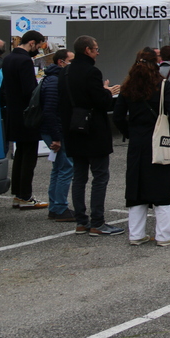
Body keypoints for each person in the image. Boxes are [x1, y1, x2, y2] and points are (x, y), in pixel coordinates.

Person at [114, 49, 170, 246]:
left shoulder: (128, 86)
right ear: (157, 63)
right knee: (162, 187)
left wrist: (130, 132)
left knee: (136, 187)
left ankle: (135, 234)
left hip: (137, 141)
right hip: (159, 138)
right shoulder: (162, 85)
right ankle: (164, 235)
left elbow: (118, 116)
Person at [59, 35, 123, 236]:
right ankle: (97, 221)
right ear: (87, 50)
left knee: (79, 177)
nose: (97, 52)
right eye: (96, 49)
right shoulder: (91, 71)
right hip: (93, 130)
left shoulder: (66, 71)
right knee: (100, 176)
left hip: (72, 128)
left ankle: (81, 221)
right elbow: (101, 101)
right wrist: (107, 91)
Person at [1, 30, 48, 209]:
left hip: (13, 113)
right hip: (27, 114)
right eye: (38, 45)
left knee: (20, 154)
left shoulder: (8, 59)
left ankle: (18, 193)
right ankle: (25, 195)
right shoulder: (24, 61)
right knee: (29, 156)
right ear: (32, 43)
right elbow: (30, 90)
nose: (38, 49)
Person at [38, 49, 74, 221]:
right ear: (61, 62)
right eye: (71, 61)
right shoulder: (54, 81)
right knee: (66, 167)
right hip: (56, 130)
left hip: (54, 129)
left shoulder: (53, 78)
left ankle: (55, 206)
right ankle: (59, 207)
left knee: (59, 167)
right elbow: (50, 111)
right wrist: (57, 137)